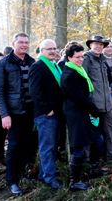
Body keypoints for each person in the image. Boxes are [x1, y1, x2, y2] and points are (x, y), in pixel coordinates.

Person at [0, 32, 36, 196]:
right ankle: (11, 181)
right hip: (13, 112)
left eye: (26, 42)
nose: (24, 45)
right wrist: (4, 114)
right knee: (13, 146)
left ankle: (24, 174)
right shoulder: (4, 63)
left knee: (28, 145)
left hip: (30, 111)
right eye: (21, 42)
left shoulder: (32, 62)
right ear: (14, 44)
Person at [61, 44, 106, 191]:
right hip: (76, 114)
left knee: (98, 140)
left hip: (85, 112)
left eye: (82, 56)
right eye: (77, 57)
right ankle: (75, 181)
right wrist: (94, 110)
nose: (81, 59)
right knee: (78, 148)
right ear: (69, 57)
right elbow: (79, 98)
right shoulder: (69, 75)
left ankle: (94, 168)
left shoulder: (79, 70)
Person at [29, 39, 64, 190]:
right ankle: (49, 178)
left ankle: (44, 174)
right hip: (46, 115)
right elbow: (35, 92)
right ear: (41, 50)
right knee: (47, 147)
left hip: (56, 112)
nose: (53, 51)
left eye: (54, 48)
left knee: (51, 146)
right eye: (49, 48)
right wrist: (47, 109)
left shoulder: (54, 65)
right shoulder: (38, 66)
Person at [83, 35, 112, 162]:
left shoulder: (103, 60)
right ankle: (90, 160)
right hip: (94, 105)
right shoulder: (86, 59)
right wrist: (89, 102)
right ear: (90, 45)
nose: (99, 46)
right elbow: (83, 82)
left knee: (111, 130)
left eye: (101, 45)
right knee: (92, 133)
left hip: (107, 104)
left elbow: (108, 80)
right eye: (96, 44)